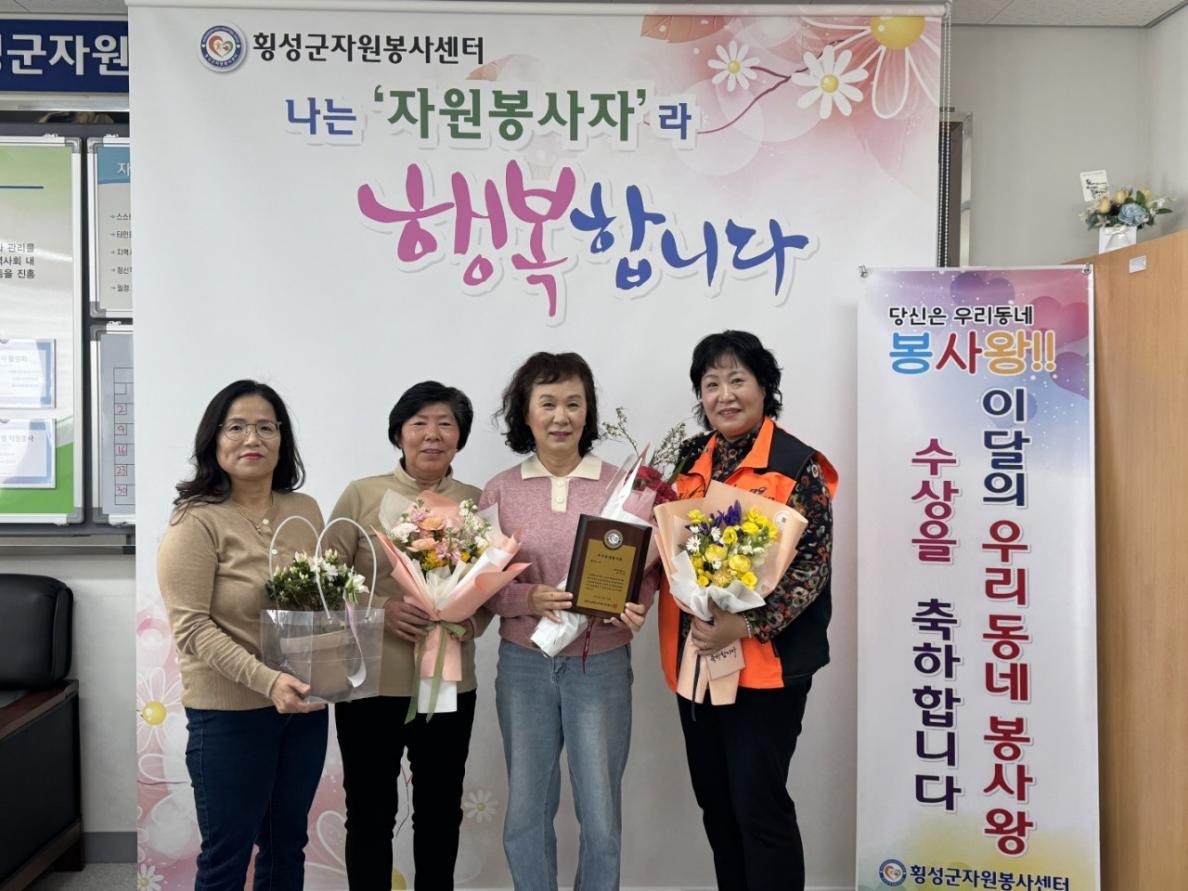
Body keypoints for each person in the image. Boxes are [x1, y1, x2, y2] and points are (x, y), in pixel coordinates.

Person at [657, 331, 838, 891]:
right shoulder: (690, 459)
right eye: (711, 383)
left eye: (738, 379)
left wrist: (746, 623)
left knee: (759, 808)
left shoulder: (796, 463)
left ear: (764, 386)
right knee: (717, 806)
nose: (725, 395)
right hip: (697, 662)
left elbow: (812, 567)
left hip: (767, 669)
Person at [479, 352, 653, 891]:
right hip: (524, 664)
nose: (561, 416)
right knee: (526, 812)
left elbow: (645, 571)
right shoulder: (500, 490)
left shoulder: (624, 488)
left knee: (601, 815)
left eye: (574, 404)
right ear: (525, 413)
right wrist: (527, 598)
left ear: (588, 412)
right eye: (548, 403)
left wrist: (637, 604)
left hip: (598, 665)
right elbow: (482, 588)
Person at [157, 380, 327, 891]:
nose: (252, 438)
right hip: (229, 715)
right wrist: (267, 681)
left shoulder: (305, 510)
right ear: (214, 439)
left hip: (301, 709)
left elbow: (318, 601)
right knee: (226, 858)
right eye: (236, 427)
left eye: (265, 427)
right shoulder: (195, 521)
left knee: (286, 845)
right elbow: (192, 628)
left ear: (282, 439)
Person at [320, 381, 485, 891]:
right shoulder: (362, 494)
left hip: (447, 683)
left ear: (460, 438)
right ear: (399, 434)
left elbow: (490, 592)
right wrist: (378, 611)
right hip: (370, 682)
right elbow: (324, 582)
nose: (432, 435)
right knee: (370, 812)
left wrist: (465, 622)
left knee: (441, 810)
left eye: (446, 424)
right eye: (420, 424)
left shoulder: (476, 501)